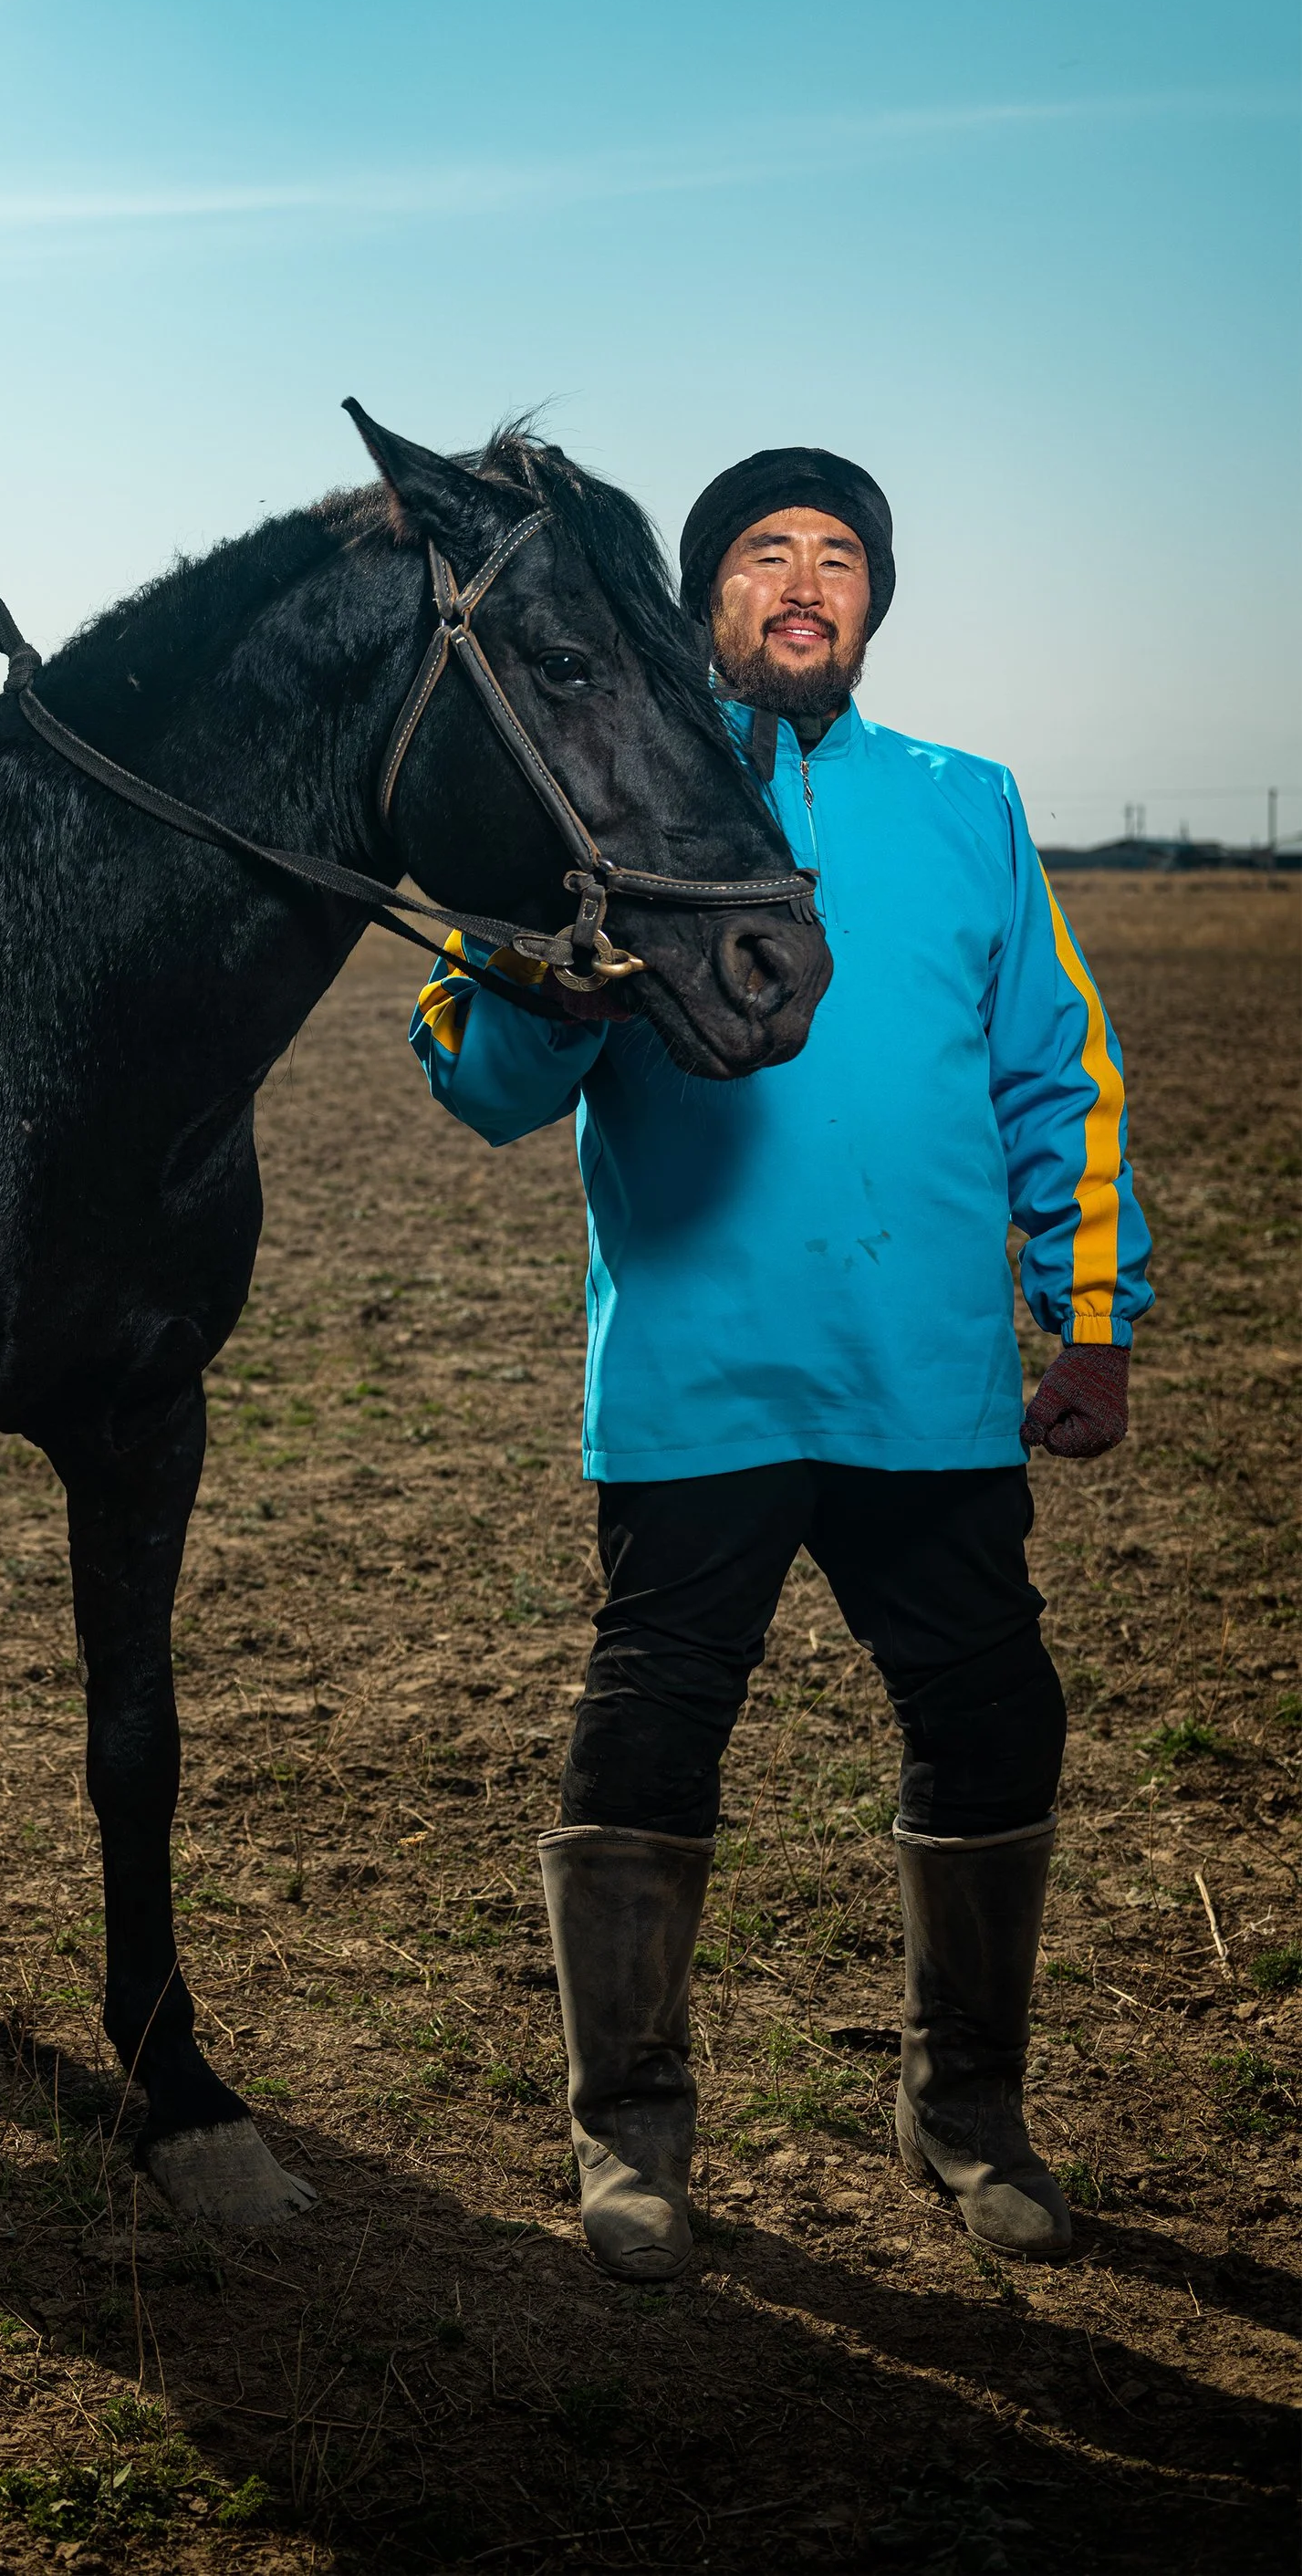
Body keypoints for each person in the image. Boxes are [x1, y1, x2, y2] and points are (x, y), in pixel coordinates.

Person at [410, 446, 1151, 2281]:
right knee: (652, 1733)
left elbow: (1058, 1073)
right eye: (761, 552)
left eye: (837, 554)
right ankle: (629, 2135)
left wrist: (1089, 1320)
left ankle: (962, 2109)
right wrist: (548, 984)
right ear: (702, 602)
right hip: (696, 1377)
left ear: (871, 601)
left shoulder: (962, 804)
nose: (802, 578)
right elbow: (480, 1086)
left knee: (990, 1723)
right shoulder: (605, 801)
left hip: (926, 1382)